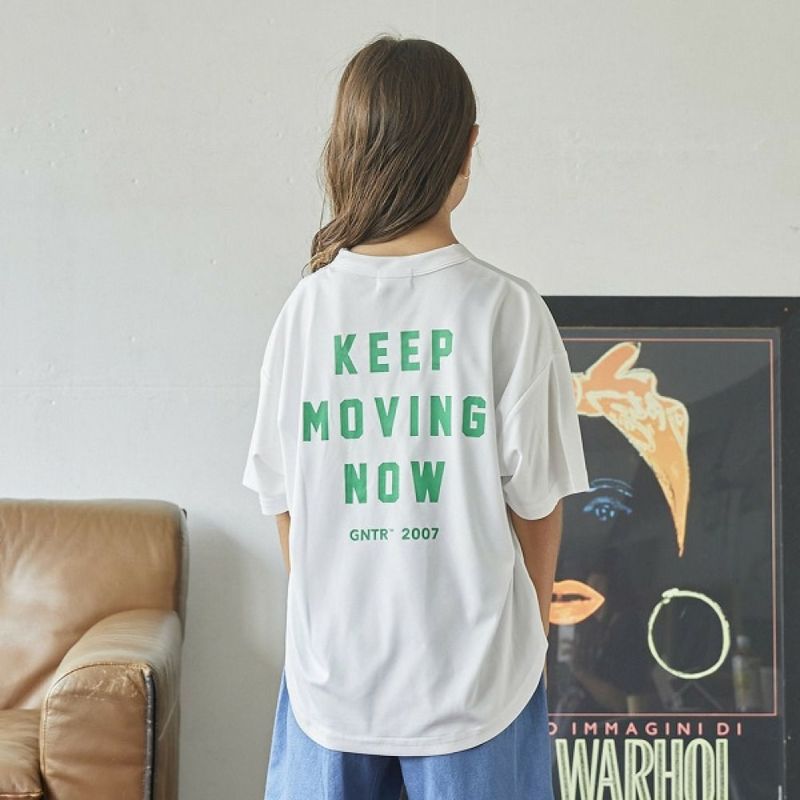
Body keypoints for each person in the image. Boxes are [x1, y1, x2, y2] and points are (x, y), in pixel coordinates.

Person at [242, 33, 591, 800]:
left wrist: (340, 615)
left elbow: (285, 506)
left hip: (331, 685)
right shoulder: (506, 310)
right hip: (478, 688)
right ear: (467, 148)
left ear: (348, 149)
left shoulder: (305, 313)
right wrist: (525, 639)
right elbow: (537, 510)